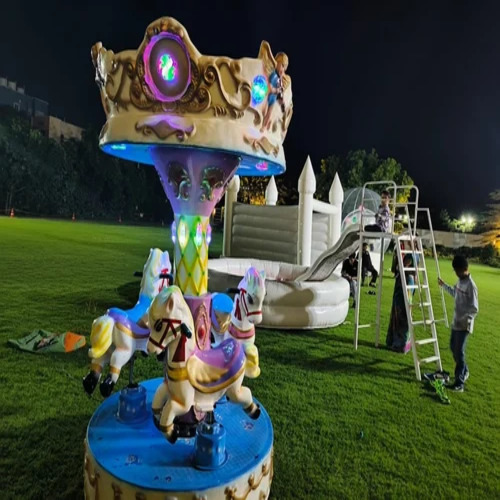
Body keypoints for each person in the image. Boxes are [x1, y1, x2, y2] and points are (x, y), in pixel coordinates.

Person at [438, 255, 479, 392]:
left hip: (464, 325)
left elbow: (474, 308)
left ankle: (459, 383)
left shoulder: (471, 286)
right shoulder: (460, 281)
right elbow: (454, 293)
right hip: (456, 323)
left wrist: (466, 318)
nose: (455, 273)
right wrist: (444, 285)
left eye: (456, 270)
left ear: (463, 269)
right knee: (453, 348)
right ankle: (464, 370)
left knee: (459, 352)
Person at [386, 253, 415, 353]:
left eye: (408, 261)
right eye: (405, 260)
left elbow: (409, 292)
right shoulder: (403, 272)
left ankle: (401, 345)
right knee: (397, 322)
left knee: (403, 323)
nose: (406, 262)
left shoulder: (409, 276)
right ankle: (395, 343)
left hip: (403, 302)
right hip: (398, 301)